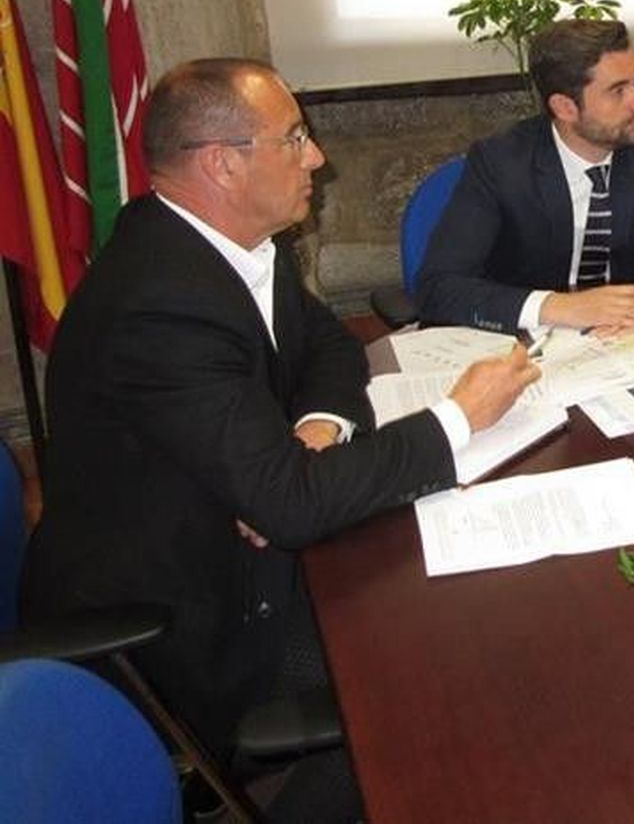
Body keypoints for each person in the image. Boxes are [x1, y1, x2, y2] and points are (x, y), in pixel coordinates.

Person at [22, 58, 536, 818]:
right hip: (182, 631)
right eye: (293, 137)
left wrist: (315, 426)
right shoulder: (159, 304)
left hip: (247, 548)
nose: (317, 157)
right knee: (446, 690)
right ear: (222, 164)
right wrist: (458, 416)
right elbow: (290, 507)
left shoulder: (236, 244)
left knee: (465, 613)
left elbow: (327, 347)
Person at [415, 18, 634, 337]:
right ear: (565, 107)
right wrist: (563, 307)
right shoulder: (501, 163)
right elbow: (438, 287)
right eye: (618, 91)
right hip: (525, 345)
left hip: (624, 339)